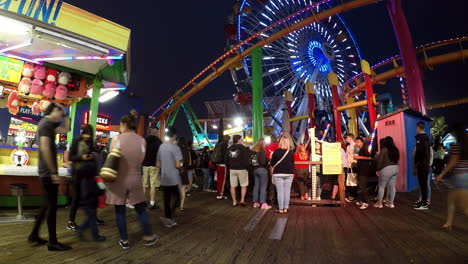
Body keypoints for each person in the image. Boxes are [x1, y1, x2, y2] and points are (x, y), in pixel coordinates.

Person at [106, 112, 159, 249]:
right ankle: (148, 236)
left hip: (119, 179)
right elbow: (141, 160)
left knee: (120, 211)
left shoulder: (117, 139)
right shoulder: (142, 141)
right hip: (135, 178)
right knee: (141, 209)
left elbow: (112, 158)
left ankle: (124, 240)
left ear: (124, 124)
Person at [28, 103, 71, 251]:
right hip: (48, 172)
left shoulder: (47, 125)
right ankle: (52, 242)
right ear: (53, 110)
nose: (61, 115)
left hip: (45, 171)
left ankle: (34, 235)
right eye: (60, 112)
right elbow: (45, 147)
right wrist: (53, 173)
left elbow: (66, 129)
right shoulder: (46, 124)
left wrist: (65, 115)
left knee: (46, 205)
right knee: (52, 207)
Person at [436, 124, 468, 230]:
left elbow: (452, 163)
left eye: (453, 132)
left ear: (456, 133)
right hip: (464, 176)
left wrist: (441, 174)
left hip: (460, 177)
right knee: (451, 200)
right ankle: (448, 224)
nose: (452, 134)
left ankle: (448, 224)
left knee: (465, 208)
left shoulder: (457, 145)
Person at [67, 124, 97, 231]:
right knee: (76, 198)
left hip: (87, 173)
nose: (87, 136)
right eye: (86, 134)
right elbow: (71, 157)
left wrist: (92, 156)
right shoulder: (76, 141)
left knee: (89, 197)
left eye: (89, 134)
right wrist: (82, 157)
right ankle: (71, 222)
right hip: (77, 173)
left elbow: (94, 153)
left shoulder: (90, 143)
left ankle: (92, 219)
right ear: (82, 132)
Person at [157, 126, 183, 228]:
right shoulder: (175, 148)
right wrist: (181, 167)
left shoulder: (161, 146)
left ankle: (168, 216)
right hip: (173, 178)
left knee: (166, 199)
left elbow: (158, 164)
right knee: (178, 197)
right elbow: (178, 164)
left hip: (164, 177)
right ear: (175, 135)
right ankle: (170, 217)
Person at [76, 157, 106, 242]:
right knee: (91, 219)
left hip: (85, 202)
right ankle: (94, 236)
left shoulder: (83, 180)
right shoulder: (91, 181)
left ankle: (82, 230)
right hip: (91, 202)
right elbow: (97, 191)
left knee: (90, 218)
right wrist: (102, 190)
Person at [374, 137, 400, 208]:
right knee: (392, 186)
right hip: (396, 168)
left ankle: (379, 203)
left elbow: (380, 160)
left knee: (381, 186)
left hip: (386, 169)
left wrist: (377, 169)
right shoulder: (395, 149)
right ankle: (391, 203)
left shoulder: (384, 149)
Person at [271, 137, 295, 213]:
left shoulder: (276, 152)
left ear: (280, 142)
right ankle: (286, 208)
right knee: (287, 191)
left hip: (278, 173)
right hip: (289, 173)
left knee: (280, 191)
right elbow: (292, 162)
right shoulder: (291, 152)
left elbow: (272, 163)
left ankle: (280, 209)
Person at [226, 135, 249, 206]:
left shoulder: (229, 148)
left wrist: (229, 167)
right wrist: (246, 167)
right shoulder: (243, 148)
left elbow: (226, 160)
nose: (242, 140)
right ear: (238, 140)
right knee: (244, 185)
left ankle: (234, 201)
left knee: (232, 186)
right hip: (242, 169)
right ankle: (242, 200)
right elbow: (246, 159)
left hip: (232, 169)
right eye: (241, 139)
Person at [142, 127, 162, 210]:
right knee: (153, 185)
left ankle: (142, 202)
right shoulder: (159, 142)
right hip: (154, 165)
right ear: (157, 132)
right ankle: (152, 203)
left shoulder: (144, 140)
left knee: (144, 184)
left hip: (145, 164)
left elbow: (142, 152)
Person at [413, 122, 431, 210]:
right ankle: (423, 201)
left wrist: (416, 163)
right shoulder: (426, 138)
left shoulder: (421, 138)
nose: (416, 129)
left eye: (416, 128)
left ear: (418, 127)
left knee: (423, 185)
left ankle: (424, 204)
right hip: (425, 165)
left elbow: (420, 153)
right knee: (423, 185)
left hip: (422, 165)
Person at [251, 138, 271, 209]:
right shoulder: (262, 151)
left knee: (256, 186)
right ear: (262, 143)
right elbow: (263, 162)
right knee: (263, 187)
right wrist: (268, 160)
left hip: (255, 170)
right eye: (265, 143)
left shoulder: (253, 150)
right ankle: (263, 203)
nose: (265, 144)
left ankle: (255, 203)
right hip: (262, 170)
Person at [353, 137, 372, 210]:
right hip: (361, 169)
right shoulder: (361, 149)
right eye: (356, 142)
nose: (357, 143)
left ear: (362, 142)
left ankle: (365, 202)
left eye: (358, 142)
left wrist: (359, 157)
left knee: (362, 186)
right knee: (361, 186)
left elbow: (369, 157)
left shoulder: (364, 148)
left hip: (364, 170)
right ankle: (361, 200)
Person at [344, 133, 359, 202]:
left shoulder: (355, 146)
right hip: (348, 166)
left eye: (346, 138)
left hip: (353, 166)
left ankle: (353, 196)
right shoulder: (348, 146)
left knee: (353, 181)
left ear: (350, 138)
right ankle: (351, 195)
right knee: (349, 181)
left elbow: (357, 156)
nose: (346, 139)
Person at [177, 137, 191, 211]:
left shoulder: (176, 150)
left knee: (176, 189)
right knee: (183, 189)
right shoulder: (187, 151)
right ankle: (181, 206)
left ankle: (176, 203)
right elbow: (189, 163)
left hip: (176, 171)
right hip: (184, 171)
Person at [265, 135, 279, 205]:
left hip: (270, 167)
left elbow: (266, 157)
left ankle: (271, 197)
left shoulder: (267, 147)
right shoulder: (279, 147)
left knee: (271, 183)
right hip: (278, 167)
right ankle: (277, 198)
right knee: (278, 183)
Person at [215, 135, 230, 199]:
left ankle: (219, 193)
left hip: (217, 164)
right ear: (227, 139)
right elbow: (225, 156)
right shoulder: (225, 145)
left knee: (219, 180)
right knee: (222, 181)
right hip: (223, 165)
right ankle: (220, 195)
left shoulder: (219, 144)